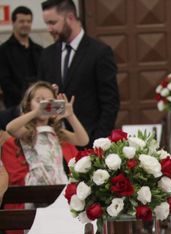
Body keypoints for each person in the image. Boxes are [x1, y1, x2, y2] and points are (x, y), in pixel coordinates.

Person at [38, 0, 119, 145]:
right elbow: (41, 102)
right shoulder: (47, 55)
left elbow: (110, 102)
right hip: (56, 143)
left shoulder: (99, 52)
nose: (49, 29)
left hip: (91, 140)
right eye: (47, 24)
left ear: (70, 18)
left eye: (53, 22)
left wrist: (99, 141)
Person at [2, 81, 87, 186]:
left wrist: (71, 115)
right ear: (29, 105)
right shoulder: (28, 131)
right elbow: (10, 128)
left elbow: (83, 140)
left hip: (59, 182)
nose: (45, 104)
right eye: (39, 101)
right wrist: (36, 112)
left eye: (49, 101)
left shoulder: (56, 132)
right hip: (37, 186)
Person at [0, 6, 43, 108]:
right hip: (15, 107)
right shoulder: (3, 51)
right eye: (21, 21)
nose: (26, 24)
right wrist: (26, 99)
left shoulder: (39, 50)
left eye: (28, 21)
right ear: (13, 23)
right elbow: (5, 82)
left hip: (39, 105)